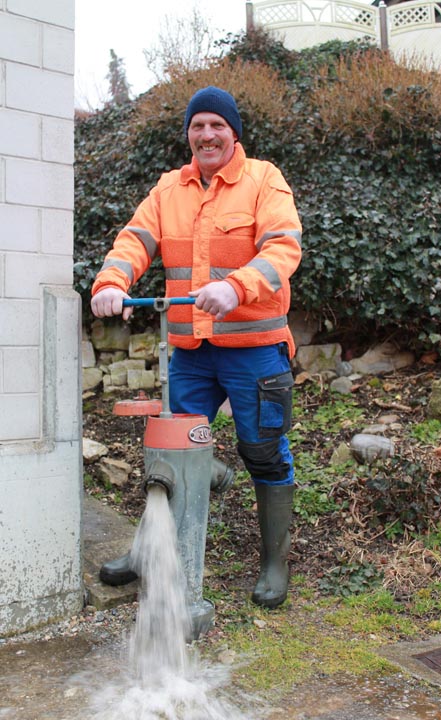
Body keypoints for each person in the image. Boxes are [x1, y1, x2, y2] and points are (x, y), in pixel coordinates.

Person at [91, 86, 302, 608]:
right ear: (188, 134)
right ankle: (149, 550)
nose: (206, 135)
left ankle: (275, 561)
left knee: (265, 452)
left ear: (234, 134)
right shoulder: (169, 189)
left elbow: (283, 246)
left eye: (216, 125)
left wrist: (236, 286)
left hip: (254, 347)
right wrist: (111, 284)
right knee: (172, 453)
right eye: (197, 126)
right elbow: (134, 240)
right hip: (190, 350)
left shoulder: (263, 180)